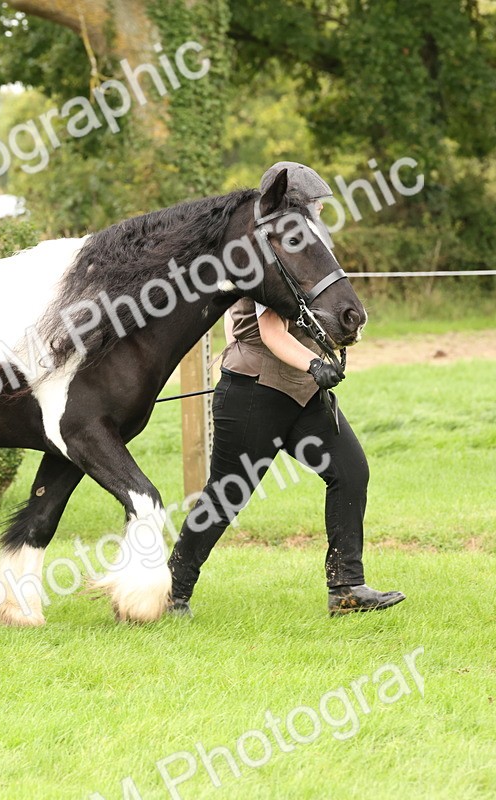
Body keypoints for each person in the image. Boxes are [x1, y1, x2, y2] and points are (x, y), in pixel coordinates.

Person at [166, 162, 406, 617]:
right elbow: (271, 331)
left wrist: (342, 331)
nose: (318, 211)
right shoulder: (266, 253)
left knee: (350, 472)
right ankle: (173, 589)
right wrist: (315, 363)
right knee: (226, 495)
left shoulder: (302, 252)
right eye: (313, 204)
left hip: (300, 392)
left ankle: (347, 588)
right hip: (255, 392)